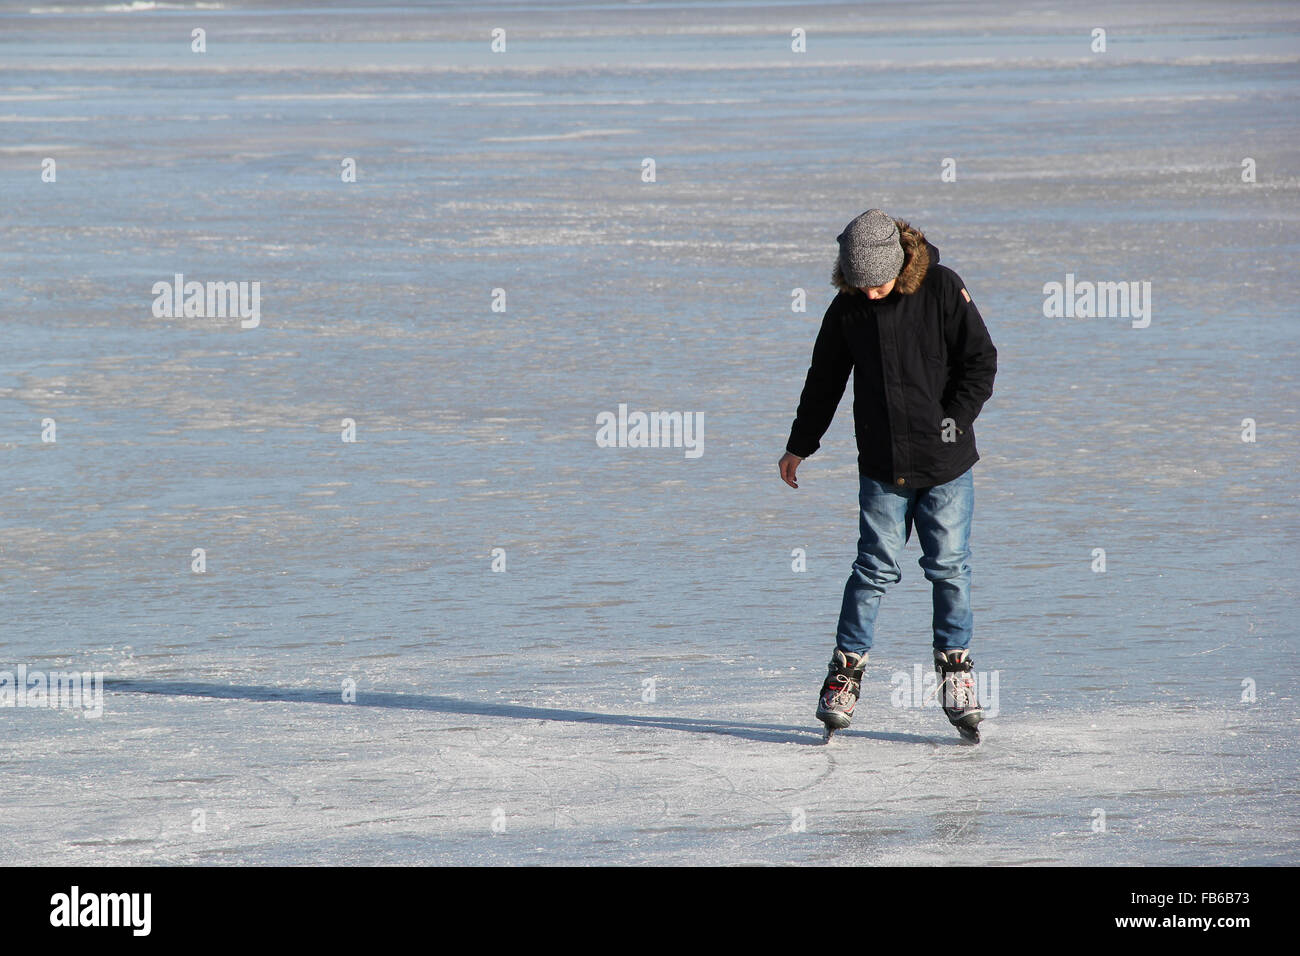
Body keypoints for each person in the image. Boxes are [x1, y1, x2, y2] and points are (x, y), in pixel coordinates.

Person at [778, 209, 997, 742]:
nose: (871, 293)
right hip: (882, 467)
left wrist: (954, 420)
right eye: (859, 284)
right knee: (873, 569)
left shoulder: (944, 289)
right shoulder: (847, 308)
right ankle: (845, 675)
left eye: (877, 282)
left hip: (945, 466)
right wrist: (800, 445)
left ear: (897, 265)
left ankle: (957, 672)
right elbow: (824, 380)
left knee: (948, 567)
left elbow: (980, 361)